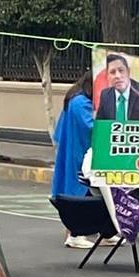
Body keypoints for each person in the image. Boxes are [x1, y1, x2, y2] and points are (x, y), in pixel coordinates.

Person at [52, 72, 96, 248]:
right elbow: (90, 127)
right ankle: (74, 233)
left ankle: (101, 232)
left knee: (89, 191)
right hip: (79, 151)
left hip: (76, 149)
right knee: (79, 191)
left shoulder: (75, 99)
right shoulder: (80, 102)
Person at [95, 53, 139, 121]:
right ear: (108, 76)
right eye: (112, 72)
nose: (117, 76)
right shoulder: (105, 95)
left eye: (121, 70)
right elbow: (100, 123)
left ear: (128, 71)